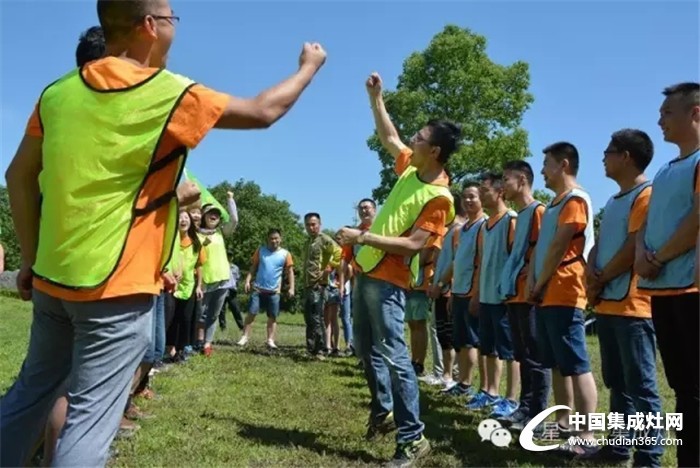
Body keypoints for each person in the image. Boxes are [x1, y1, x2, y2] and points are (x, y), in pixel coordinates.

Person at [0, 0, 327, 463]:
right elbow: (263, 111)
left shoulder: (55, 94)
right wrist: (308, 67)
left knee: (26, 399)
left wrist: (29, 259)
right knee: (89, 421)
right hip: (118, 287)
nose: (176, 27)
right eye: (172, 18)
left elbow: (18, 175)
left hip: (54, 279)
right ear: (150, 26)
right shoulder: (168, 92)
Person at [337, 72, 459, 466]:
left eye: (421, 138)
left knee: (396, 357)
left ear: (435, 151)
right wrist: (376, 99)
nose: (413, 141)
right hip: (367, 273)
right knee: (365, 348)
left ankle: (412, 440)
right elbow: (390, 138)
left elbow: (414, 246)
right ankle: (383, 412)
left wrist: (362, 237)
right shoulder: (411, 169)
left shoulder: (439, 198)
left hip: (389, 282)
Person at [585, 129, 663, 465]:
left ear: (626, 156)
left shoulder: (646, 195)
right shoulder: (616, 199)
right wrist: (591, 272)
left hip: (633, 307)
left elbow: (634, 246)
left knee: (642, 386)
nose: (603, 157)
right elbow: (600, 243)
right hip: (607, 303)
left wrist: (600, 278)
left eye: (609, 151)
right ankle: (619, 446)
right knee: (617, 381)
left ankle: (649, 455)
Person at [635, 82, 699, 468]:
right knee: (681, 387)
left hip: (692, 289)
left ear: (694, 113)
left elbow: (696, 218)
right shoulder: (664, 169)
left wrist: (657, 255)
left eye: (667, 113)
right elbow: (645, 221)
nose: (660, 120)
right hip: (664, 291)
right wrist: (642, 251)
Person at [529, 142, 598, 449]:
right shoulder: (556, 202)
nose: (542, 170)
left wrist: (539, 283)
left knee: (577, 364)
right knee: (558, 363)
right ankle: (563, 424)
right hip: (548, 292)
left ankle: (586, 434)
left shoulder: (575, 199)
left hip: (565, 290)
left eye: (547, 164)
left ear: (564, 165)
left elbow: (559, 247)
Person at [497, 160, 550, 431]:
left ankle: (538, 416)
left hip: (529, 295)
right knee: (522, 354)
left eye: (506, 179)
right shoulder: (520, 215)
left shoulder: (539, 211)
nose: (502, 185)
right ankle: (525, 407)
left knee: (535, 355)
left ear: (522, 180)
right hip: (513, 294)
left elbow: (544, 250)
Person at [435, 182, 486, 399]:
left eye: (473, 196)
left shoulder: (484, 225)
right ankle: (462, 382)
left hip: (474, 292)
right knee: (462, 341)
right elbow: (458, 262)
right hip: (458, 291)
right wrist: (450, 289)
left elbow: (482, 260)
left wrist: (476, 292)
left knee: (474, 342)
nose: (468, 200)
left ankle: (474, 385)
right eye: (465, 197)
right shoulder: (463, 229)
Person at [427, 189, 468, 390]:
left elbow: (457, 261)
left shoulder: (459, 229)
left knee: (453, 336)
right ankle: (446, 374)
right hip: (441, 290)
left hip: (450, 290)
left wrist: (442, 284)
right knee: (444, 334)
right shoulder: (450, 229)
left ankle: (459, 377)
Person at [195, 193, 238, 355]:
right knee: (199, 314)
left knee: (213, 314)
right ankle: (196, 341)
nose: (214, 216)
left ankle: (207, 344)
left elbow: (234, 220)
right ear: (204, 216)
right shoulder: (196, 233)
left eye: (217, 214)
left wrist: (230, 200)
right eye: (211, 213)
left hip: (223, 280)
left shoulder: (221, 232)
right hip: (204, 281)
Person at [238, 228, 294, 348]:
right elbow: (253, 267)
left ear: (280, 239)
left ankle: (270, 340)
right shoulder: (261, 250)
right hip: (258, 289)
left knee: (272, 316)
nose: (274, 241)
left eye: (276, 238)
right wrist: (248, 281)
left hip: (274, 291)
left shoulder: (285, 254)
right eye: (271, 238)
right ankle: (245, 337)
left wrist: (291, 288)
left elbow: (290, 272)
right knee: (251, 313)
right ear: (267, 239)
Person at [339, 198, 378, 356]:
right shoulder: (353, 234)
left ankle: (379, 356)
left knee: (378, 321)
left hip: (380, 282)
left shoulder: (382, 229)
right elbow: (344, 260)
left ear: (374, 210)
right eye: (361, 208)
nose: (364, 211)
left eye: (367, 208)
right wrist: (341, 284)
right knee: (361, 321)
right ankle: (363, 354)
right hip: (360, 283)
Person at [301, 213, 342, 359]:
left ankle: (322, 349)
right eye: (308, 225)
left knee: (317, 318)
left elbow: (338, 252)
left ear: (319, 224)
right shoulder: (308, 242)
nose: (311, 227)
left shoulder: (324, 239)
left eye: (313, 224)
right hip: (307, 284)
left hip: (318, 285)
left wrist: (330, 267)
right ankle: (311, 348)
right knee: (308, 317)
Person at [219, 260, 243, 331]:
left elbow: (237, 278)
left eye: (231, 255)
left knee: (236, 309)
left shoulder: (235, 267)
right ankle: (223, 327)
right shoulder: (221, 265)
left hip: (232, 291)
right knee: (221, 310)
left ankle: (241, 326)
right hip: (222, 289)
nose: (229, 257)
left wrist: (236, 287)